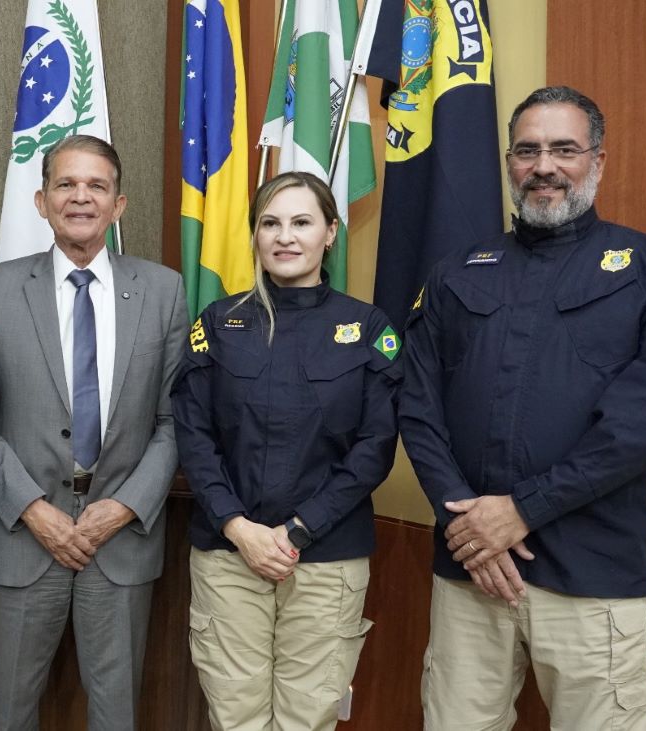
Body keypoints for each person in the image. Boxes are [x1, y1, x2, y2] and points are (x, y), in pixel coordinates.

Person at [400, 86, 646, 728]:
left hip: (598, 576)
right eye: (528, 150)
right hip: (469, 573)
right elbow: (418, 407)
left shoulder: (640, 267)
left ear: (597, 160)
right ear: (509, 162)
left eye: (564, 149)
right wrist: (472, 529)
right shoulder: (456, 273)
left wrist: (521, 511)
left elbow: (634, 427)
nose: (544, 166)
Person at [0, 134, 188, 730]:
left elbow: (174, 421)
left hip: (120, 541)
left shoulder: (164, 291)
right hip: (23, 538)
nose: (81, 197)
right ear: (41, 201)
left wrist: (121, 508)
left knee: (116, 714)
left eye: (97, 185)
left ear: (118, 205)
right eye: (66, 184)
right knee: (9, 713)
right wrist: (34, 511)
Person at [172, 171, 401, 730]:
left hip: (326, 558)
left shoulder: (367, 326)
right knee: (235, 717)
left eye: (302, 222)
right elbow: (193, 434)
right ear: (254, 234)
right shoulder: (220, 323)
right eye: (270, 223)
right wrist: (238, 527)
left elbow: (375, 446)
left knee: (309, 718)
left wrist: (299, 529)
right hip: (231, 555)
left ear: (330, 232)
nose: (284, 236)